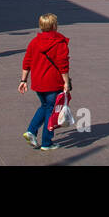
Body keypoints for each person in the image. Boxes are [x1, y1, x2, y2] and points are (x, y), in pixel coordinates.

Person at [20, 13, 71, 151]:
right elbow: (63, 65)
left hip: (38, 82)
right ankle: (47, 142)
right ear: (54, 25)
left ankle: (31, 131)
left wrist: (23, 80)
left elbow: (27, 61)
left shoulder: (34, 42)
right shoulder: (59, 43)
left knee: (44, 106)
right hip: (53, 83)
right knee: (51, 110)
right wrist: (66, 82)